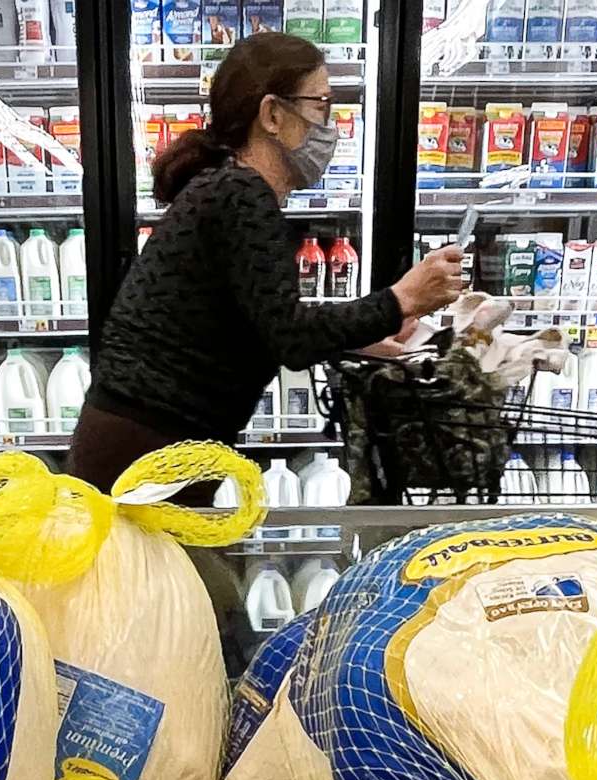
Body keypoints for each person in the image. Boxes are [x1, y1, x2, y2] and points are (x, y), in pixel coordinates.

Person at [69, 30, 466, 490]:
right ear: (273, 114)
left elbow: (259, 322)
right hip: (146, 443)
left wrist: (361, 339)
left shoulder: (227, 188)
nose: (330, 126)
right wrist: (402, 299)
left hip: (151, 439)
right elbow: (291, 338)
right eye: (321, 106)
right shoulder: (241, 194)